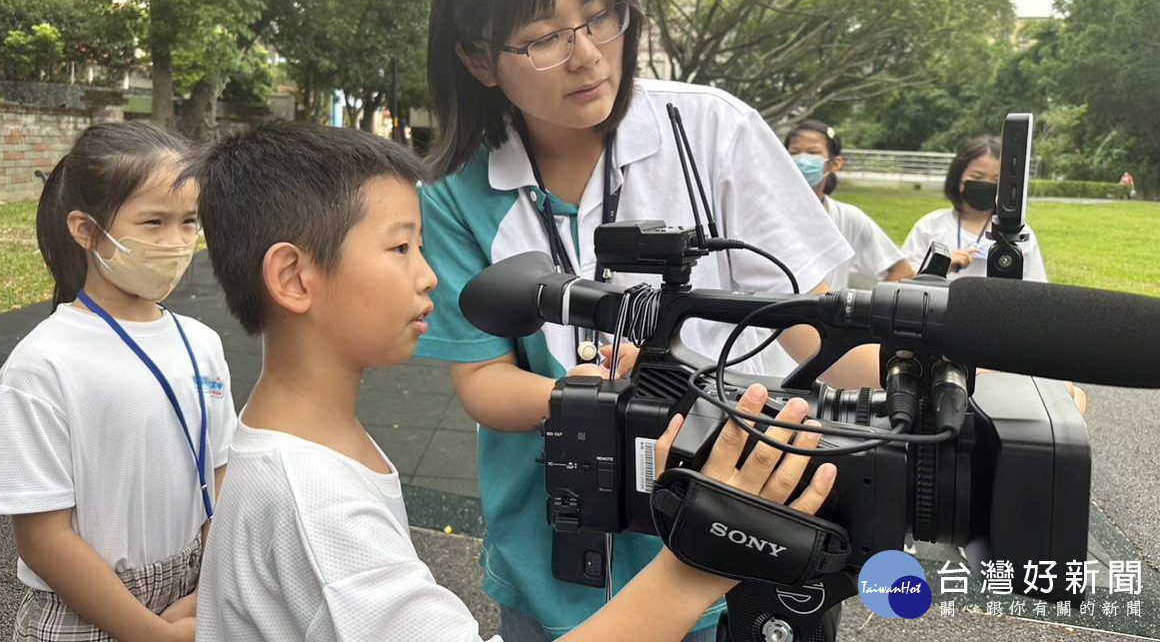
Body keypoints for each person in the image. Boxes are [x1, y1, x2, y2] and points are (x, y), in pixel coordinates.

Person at [417, 0, 877, 641]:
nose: (588, 54)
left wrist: (984, 388)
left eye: (601, 16)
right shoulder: (453, 192)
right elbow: (482, 382)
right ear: (477, 58)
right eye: (542, 38)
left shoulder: (710, 131)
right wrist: (600, 399)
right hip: (553, 562)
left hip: (737, 542)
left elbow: (817, 329)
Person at [188, 122, 838, 642]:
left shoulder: (296, 445)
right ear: (294, 278)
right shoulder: (316, 503)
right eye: (400, 248)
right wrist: (699, 558)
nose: (428, 277)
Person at [0, 122, 237, 642]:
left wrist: (206, 587)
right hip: (86, 611)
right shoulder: (43, 364)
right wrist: (153, 634)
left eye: (189, 221)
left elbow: (220, 479)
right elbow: (43, 539)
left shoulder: (202, 343)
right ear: (86, 229)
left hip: (193, 595)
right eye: (153, 222)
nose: (177, 242)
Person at [784, 120, 915, 290]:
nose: (802, 160)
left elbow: (902, 271)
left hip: (824, 316)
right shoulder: (763, 213)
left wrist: (868, 313)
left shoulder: (848, 218)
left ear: (835, 163)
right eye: (794, 153)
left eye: (813, 153)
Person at [901, 135, 1047, 281]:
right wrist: (940, 265)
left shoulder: (1019, 234)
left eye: (997, 180)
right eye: (977, 177)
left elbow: (1036, 290)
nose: (986, 184)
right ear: (958, 177)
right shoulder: (930, 226)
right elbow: (902, 284)